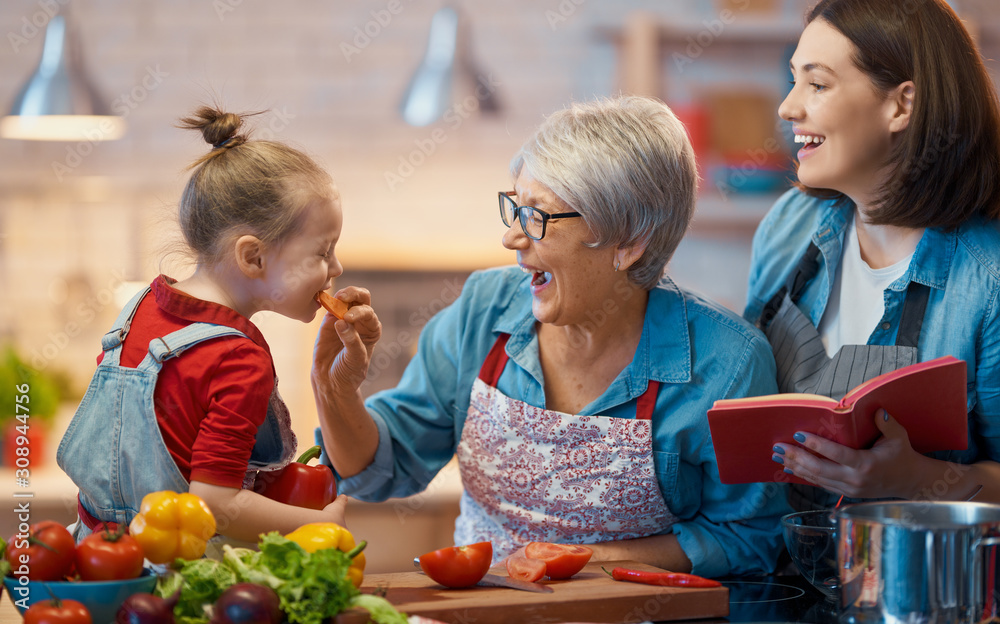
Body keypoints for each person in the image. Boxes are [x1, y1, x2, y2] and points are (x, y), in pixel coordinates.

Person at [313, 95, 790, 578]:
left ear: (628, 241)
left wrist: (594, 561)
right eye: (515, 208)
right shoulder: (485, 308)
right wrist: (334, 388)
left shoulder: (727, 364)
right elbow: (380, 468)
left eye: (537, 217)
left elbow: (749, 539)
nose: (512, 238)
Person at [57, 106, 379, 545]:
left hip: (101, 558)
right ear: (253, 257)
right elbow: (215, 504)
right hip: (178, 578)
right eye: (322, 252)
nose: (336, 267)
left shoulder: (142, 305)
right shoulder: (239, 358)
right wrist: (318, 523)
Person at [744, 0, 1000, 511]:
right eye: (794, 80)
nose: (788, 107)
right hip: (779, 573)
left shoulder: (988, 278)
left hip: (915, 584)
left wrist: (915, 479)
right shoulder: (788, 224)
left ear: (901, 106)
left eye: (816, 84)